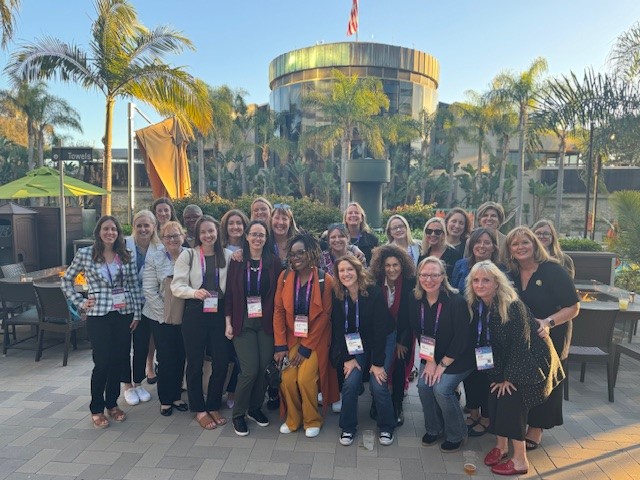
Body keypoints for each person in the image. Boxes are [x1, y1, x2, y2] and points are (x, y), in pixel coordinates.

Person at [466, 260, 565, 476]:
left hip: (533, 363)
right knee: (493, 391)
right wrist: (494, 376)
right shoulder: (477, 305)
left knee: (510, 398)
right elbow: (483, 343)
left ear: (497, 283)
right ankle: (501, 447)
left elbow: (521, 346)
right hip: (504, 361)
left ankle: (520, 460)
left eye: (486, 280)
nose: (480, 285)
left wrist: (508, 378)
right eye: (476, 280)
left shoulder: (512, 306)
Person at [503, 226, 580, 451]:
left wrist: (548, 322)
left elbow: (574, 307)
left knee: (548, 379)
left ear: (535, 244)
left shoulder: (553, 270)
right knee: (525, 377)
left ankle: (537, 428)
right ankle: (521, 422)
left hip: (551, 332)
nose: (520, 247)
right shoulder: (511, 272)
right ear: (509, 249)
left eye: (525, 242)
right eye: (515, 244)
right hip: (523, 337)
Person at [61, 215, 141, 429]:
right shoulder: (86, 254)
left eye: (114, 229)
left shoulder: (126, 255)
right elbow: (67, 280)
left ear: (118, 233)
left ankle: (112, 404)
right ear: (98, 232)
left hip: (123, 313)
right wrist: (81, 302)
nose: (110, 233)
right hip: (98, 315)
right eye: (106, 229)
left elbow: (133, 285)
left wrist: (136, 314)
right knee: (102, 362)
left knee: (119, 359)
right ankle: (96, 408)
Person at [273, 233, 338, 438]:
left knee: (305, 379)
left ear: (312, 253)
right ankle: (294, 418)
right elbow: (279, 311)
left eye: (301, 252)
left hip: (315, 341)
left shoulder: (324, 280)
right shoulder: (284, 277)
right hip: (292, 338)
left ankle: (312, 419)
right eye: (292, 254)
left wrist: (306, 347)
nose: (296, 257)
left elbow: (324, 317)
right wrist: (280, 345)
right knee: (287, 379)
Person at [171, 215, 233, 430]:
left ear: (218, 232)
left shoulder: (228, 255)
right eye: (203, 232)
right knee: (195, 362)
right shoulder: (187, 255)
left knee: (221, 361)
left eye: (211, 231)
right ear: (198, 234)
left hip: (219, 313)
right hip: (196, 312)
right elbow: (176, 286)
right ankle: (199, 408)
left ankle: (214, 404)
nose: (208, 235)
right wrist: (193, 292)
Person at [410, 256, 474, 453]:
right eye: (425, 275)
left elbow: (461, 339)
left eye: (434, 275)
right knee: (423, 386)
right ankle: (434, 428)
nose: (429, 279)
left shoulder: (456, 301)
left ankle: (457, 433)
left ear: (443, 276)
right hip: (432, 356)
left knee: (442, 389)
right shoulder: (416, 300)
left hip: (458, 357)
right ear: (419, 276)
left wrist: (442, 364)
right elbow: (420, 333)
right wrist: (430, 361)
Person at [331, 256, 397, 446]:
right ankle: (348, 427)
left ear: (358, 270)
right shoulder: (337, 294)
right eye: (341, 271)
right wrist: (348, 358)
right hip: (354, 341)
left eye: (349, 269)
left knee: (378, 383)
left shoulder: (372, 291)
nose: (346, 274)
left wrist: (377, 364)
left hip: (383, 337)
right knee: (350, 382)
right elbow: (338, 329)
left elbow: (379, 330)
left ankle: (386, 426)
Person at [225, 220, 282, 436]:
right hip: (243, 321)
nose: (258, 238)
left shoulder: (274, 262)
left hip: (266, 324)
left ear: (266, 239)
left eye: (262, 235)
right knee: (249, 370)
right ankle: (238, 414)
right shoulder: (237, 261)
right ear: (246, 237)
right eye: (254, 234)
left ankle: (255, 408)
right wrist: (228, 322)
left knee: (263, 369)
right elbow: (229, 294)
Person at [142, 221, 188, 416]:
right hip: (160, 316)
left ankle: (177, 395)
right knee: (166, 357)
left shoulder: (191, 255)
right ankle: (165, 399)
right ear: (161, 239)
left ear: (183, 236)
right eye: (167, 236)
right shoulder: (154, 258)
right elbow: (149, 290)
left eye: (175, 235)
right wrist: (166, 316)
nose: (172, 239)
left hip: (185, 316)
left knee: (180, 356)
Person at [369, 245, 416, 426]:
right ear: (382, 266)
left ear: (402, 265)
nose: (392, 269)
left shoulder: (410, 283)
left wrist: (401, 341)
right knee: (378, 366)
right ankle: (376, 400)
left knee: (399, 364)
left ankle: (397, 404)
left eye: (395, 265)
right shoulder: (375, 283)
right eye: (387, 265)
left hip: (403, 334)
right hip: (380, 334)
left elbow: (411, 316)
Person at [122, 210, 163, 406]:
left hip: (147, 305)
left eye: (147, 225)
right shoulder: (124, 245)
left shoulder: (159, 247)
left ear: (154, 227)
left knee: (141, 345)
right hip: (125, 304)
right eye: (139, 225)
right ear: (133, 227)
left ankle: (138, 383)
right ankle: (127, 385)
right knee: (123, 347)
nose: (143, 229)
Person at [451, 228, 500, 292]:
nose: (482, 246)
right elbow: (453, 291)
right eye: (478, 242)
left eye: (487, 243)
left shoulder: (501, 269)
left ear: (493, 247)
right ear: (472, 245)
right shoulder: (460, 265)